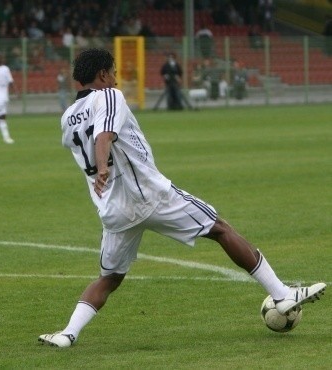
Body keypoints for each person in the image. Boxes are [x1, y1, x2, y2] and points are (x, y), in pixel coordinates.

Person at [38, 48, 326, 348]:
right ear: (102, 75)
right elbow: (104, 135)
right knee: (220, 229)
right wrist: (102, 168)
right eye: (112, 72)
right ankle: (282, 295)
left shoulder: (68, 118)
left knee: (109, 278)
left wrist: (101, 171)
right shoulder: (109, 96)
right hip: (149, 195)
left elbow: (97, 136)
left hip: (113, 210)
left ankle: (67, 334)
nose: (115, 79)